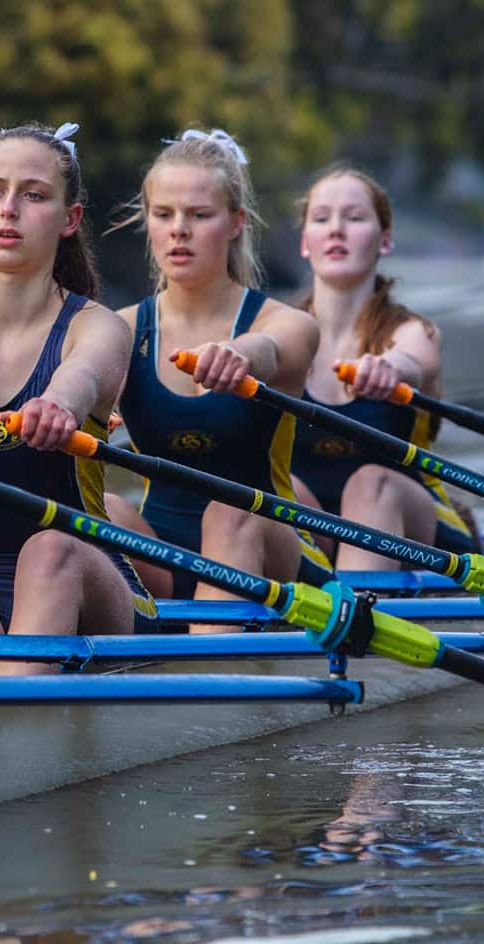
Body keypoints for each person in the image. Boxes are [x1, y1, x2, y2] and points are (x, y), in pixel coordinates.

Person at [0, 123, 155, 672]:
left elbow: (85, 373)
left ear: (69, 219)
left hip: (92, 588)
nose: (9, 209)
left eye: (34, 195)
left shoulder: (97, 327)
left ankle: (7, 713)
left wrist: (59, 405)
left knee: (48, 547)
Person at [102, 128, 324, 613]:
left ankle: (210, 652)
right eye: (163, 214)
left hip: (274, 555)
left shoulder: (286, 322)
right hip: (162, 556)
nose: (179, 230)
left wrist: (239, 355)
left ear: (235, 223)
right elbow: (82, 376)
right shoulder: (120, 330)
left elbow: (272, 348)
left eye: (199, 215)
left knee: (229, 512)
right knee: (101, 508)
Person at [289, 164, 477, 572]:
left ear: (385, 239)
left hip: (417, 527)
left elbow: (414, 360)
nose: (336, 230)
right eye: (321, 219)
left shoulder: (412, 332)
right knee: (275, 489)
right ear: (305, 242)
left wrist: (389, 368)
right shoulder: (278, 334)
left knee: (370, 482)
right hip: (312, 523)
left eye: (355, 218)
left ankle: (356, 606)